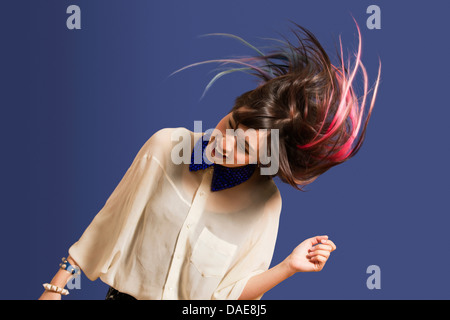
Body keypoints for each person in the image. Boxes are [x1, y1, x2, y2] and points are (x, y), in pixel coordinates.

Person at [39, 21, 380, 300]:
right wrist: (57, 286)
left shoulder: (265, 203)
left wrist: (289, 266)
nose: (226, 144)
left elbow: (230, 296)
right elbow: (110, 223)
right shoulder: (165, 145)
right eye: (231, 125)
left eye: (245, 148)